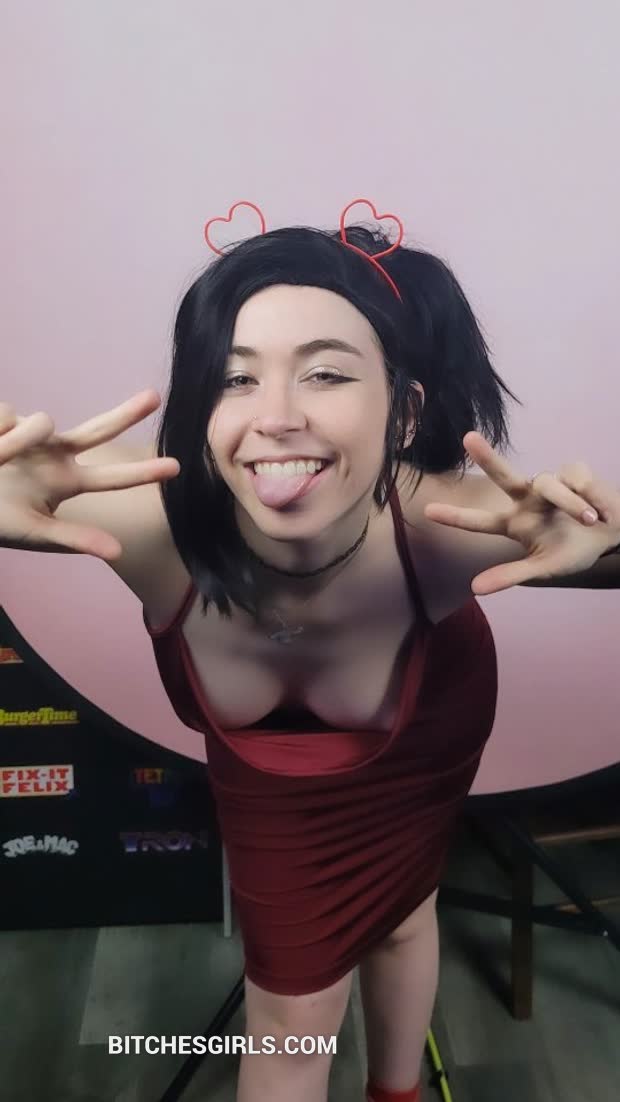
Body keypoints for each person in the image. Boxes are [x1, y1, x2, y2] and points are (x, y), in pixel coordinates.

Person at [1, 212, 619, 1102]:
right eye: (234, 378)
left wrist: (607, 539)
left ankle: (399, 1091)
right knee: (292, 1019)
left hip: (426, 739)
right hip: (273, 791)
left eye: (325, 373)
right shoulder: (147, 522)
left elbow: (597, 547)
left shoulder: (447, 527)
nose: (276, 418)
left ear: (404, 413)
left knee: (405, 908)